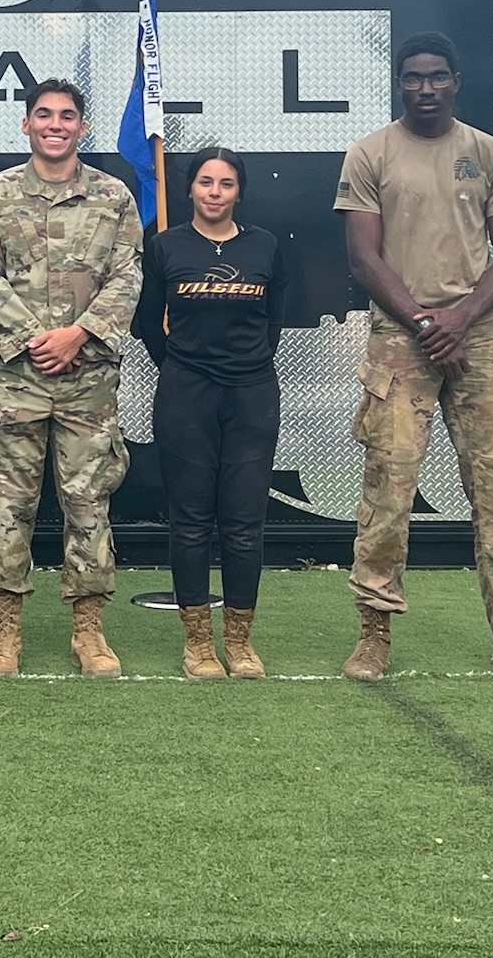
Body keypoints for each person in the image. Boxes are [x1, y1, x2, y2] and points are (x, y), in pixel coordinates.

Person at [334, 32, 493, 680]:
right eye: (413, 78)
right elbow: (363, 257)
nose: (425, 88)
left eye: (436, 77)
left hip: (481, 340)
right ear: (399, 83)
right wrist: (426, 322)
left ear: (455, 81)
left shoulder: (487, 153)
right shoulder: (370, 154)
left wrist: (460, 319)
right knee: (389, 490)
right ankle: (373, 635)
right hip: (400, 342)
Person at [0, 81, 142, 679]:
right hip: (16, 377)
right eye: (44, 115)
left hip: (87, 379)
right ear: (27, 125)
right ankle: (3, 631)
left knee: (89, 506)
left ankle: (89, 632)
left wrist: (79, 334)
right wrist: (32, 339)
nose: (55, 124)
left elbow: (128, 275)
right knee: (7, 506)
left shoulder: (113, 196)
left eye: (67, 116)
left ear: (81, 128)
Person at [135, 147, 287, 679]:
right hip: (186, 396)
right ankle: (198, 644)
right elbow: (149, 323)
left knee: (244, 523)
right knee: (192, 521)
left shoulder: (264, 246)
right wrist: (183, 367)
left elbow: (274, 319)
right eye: (205, 182)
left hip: (251, 394)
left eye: (225, 184)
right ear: (191, 190)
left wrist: (242, 367)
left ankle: (240, 643)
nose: (215, 192)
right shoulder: (165, 247)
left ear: (239, 191)